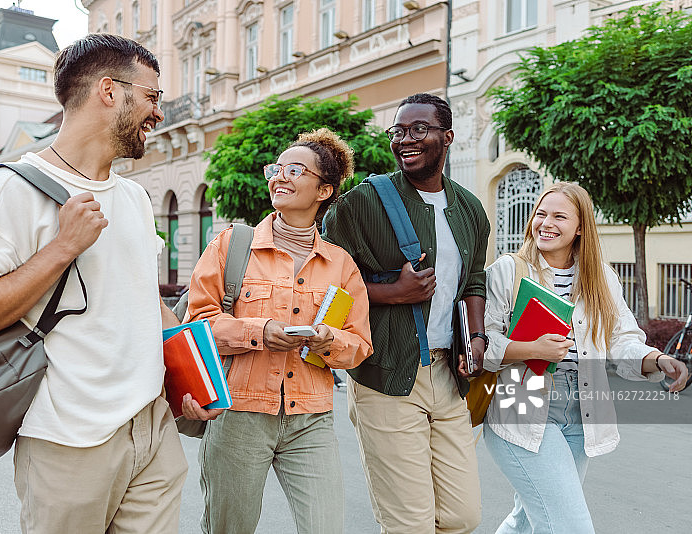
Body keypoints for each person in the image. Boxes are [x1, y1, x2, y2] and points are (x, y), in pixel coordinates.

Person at [0, 34, 188, 533]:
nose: (158, 113)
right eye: (151, 96)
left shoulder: (135, 198)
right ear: (109, 90)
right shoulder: (11, 186)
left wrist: (190, 381)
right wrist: (63, 247)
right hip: (68, 439)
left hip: (152, 430)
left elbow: (146, 304)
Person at [185, 128, 373, 533]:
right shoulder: (231, 245)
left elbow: (358, 345)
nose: (279, 177)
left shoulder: (340, 264)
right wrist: (259, 330)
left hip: (312, 417)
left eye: (294, 170)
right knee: (227, 528)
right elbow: (197, 325)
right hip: (238, 414)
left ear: (324, 190)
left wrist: (329, 341)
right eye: (276, 168)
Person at [322, 93, 489, 534]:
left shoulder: (470, 209)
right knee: (409, 523)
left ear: (447, 137)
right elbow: (328, 285)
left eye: (419, 130)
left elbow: (474, 279)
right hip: (386, 373)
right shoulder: (362, 203)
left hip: (448, 375)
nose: (405, 140)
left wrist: (477, 336)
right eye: (398, 131)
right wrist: (392, 291)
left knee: (462, 515)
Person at [482, 182, 689, 534]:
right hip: (522, 400)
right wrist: (534, 348)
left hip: (582, 408)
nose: (546, 223)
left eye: (559, 216)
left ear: (580, 227)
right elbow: (481, 345)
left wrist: (656, 358)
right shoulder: (508, 270)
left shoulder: (601, 278)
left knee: (528, 519)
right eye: (541, 214)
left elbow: (621, 340)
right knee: (569, 525)